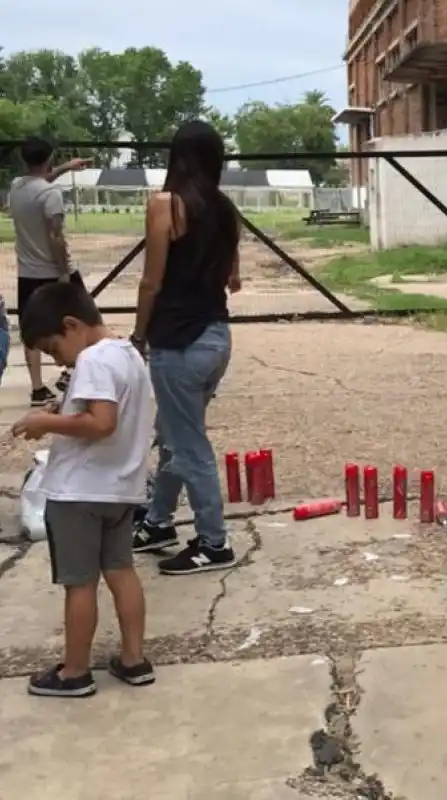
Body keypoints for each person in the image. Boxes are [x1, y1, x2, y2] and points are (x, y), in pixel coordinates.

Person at [12, 282, 155, 698]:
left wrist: (45, 423)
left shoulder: (92, 359)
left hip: (79, 492)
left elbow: (101, 423)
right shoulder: (129, 354)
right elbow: (108, 412)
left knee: (80, 583)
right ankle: (134, 660)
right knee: (122, 572)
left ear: (72, 325)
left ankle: (74, 671)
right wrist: (64, 409)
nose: (58, 360)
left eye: (53, 348)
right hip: (121, 489)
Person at [128, 120, 242, 575]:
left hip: (177, 343)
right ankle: (158, 521)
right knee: (174, 433)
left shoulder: (166, 205)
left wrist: (138, 336)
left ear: (176, 157)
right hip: (215, 338)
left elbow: (151, 282)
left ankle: (214, 542)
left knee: (188, 445)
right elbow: (233, 278)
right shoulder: (226, 209)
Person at [8, 137, 90, 406]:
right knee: (83, 321)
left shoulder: (17, 187)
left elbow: (39, 181)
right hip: (52, 270)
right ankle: (72, 371)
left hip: (27, 272)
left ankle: (37, 388)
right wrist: (64, 272)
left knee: (31, 329)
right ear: (49, 158)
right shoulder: (51, 194)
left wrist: (66, 167)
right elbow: (56, 236)